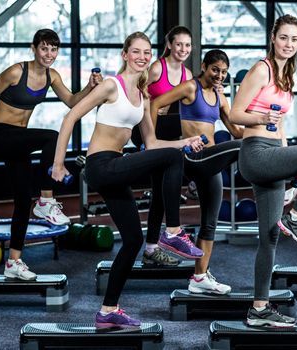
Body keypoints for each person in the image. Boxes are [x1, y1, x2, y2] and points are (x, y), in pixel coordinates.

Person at [50, 31, 205, 328]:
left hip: (117, 166)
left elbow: (154, 144)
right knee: (171, 161)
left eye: (147, 52)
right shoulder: (111, 85)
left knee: (133, 239)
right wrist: (58, 164)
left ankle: (108, 310)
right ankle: (172, 231)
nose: (143, 57)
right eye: (136, 51)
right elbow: (70, 117)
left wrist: (186, 140)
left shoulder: (144, 96)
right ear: (125, 55)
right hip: (100, 165)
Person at [0, 29, 102, 281]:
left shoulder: (51, 76)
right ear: (33, 48)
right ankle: (46, 200)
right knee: (51, 137)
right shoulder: (15, 72)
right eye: (44, 48)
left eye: (53, 49)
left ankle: (13, 261)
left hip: (18, 142)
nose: (49, 54)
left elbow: (71, 101)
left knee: (23, 201)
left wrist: (89, 87)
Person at [229, 14, 297, 327]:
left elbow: (282, 124)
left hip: (274, 155)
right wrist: (262, 119)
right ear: (273, 38)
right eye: (284, 37)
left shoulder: (287, 75)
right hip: (255, 153)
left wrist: (290, 161)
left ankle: (259, 309)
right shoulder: (261, 69)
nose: (289, 44)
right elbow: (237, 113)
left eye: (294, 39)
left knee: (269, 237)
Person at [147, 49, 244, 294]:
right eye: (215, 70)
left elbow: (236, 131)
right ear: (204, 66)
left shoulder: (220, 96)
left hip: (210, 161)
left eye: (223, 72)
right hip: (193, 156)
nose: (219, 75)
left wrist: (264, 125)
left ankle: (199, 277)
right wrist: (152, 141)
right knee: (242, 148)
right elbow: (156, 102)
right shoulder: (191, 87)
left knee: (210, 222)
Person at [138, 26, 196, 267]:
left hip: (168, 132)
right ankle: (163, 237)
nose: (183, 49)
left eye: (188, 45)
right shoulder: (156, 68)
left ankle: (152, 247)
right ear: (170, 44)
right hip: (146, 128)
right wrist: (149, 103)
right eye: (179, 44)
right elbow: (136, 89)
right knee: (160, 190)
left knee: (162, 193)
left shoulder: (187, 74)